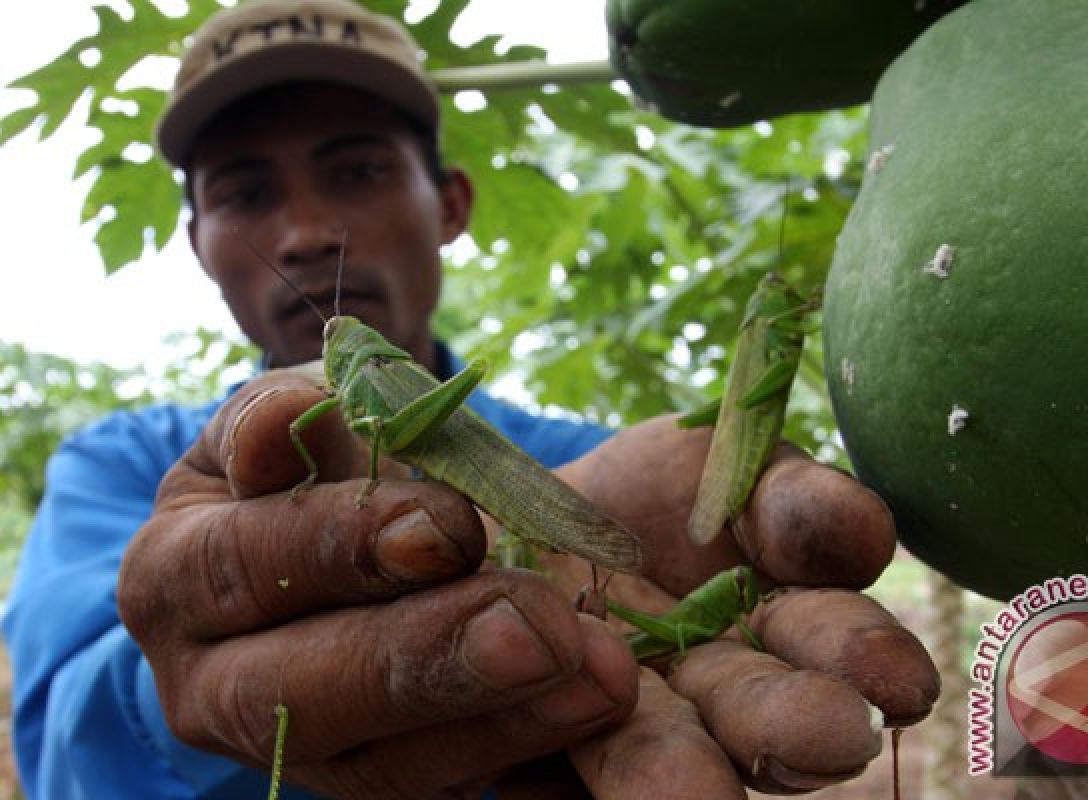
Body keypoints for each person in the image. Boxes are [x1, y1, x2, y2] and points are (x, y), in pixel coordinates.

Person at [2, 0, 937, 797]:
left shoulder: (601, 456)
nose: (305, 232)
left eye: (356, 170)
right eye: (245, 191)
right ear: (199, 240)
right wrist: (187, 688)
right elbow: (57, 739)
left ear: (450, 202)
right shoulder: (111, 467)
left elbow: (394, 429)